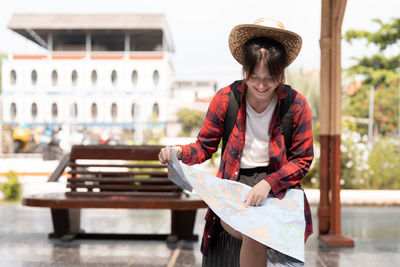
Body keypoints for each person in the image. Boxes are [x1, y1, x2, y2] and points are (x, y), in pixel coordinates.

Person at [159, 18, 313, 267]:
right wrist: (177, 151)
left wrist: (268, 184)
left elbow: (303, 159)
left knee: (258, 232)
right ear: (245, 70)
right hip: (234, 185)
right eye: (254, 77)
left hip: (279, 187)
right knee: (254, 230)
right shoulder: (225, 99)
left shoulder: (295, 104)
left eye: (270, 78)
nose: (261, 86)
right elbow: (204, 146)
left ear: (281, 74)